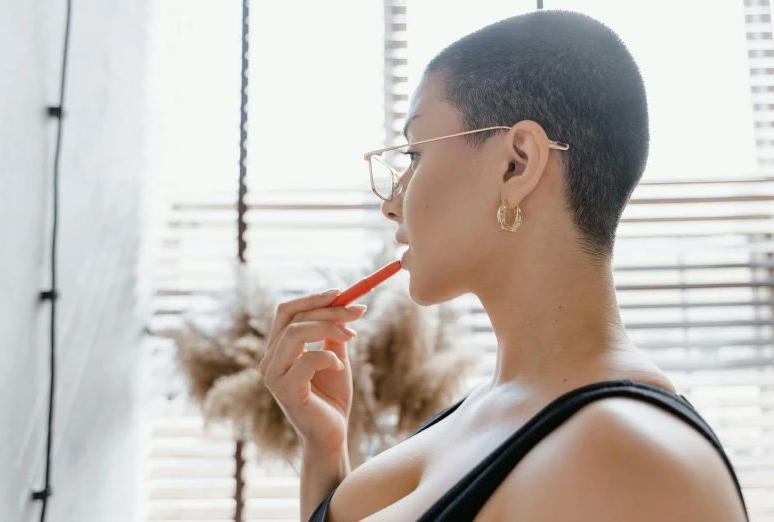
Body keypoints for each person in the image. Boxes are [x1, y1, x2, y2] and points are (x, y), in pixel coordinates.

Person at [260, 9, 749, 522]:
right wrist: (323, 445)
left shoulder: (628, 457)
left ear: (517, 164)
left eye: (415, 154)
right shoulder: (492, 408)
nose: (391, 202)